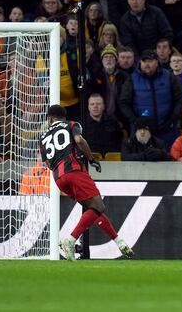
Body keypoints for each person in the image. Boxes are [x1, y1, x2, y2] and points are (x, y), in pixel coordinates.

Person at [39, 104, 133, 261]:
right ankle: (70, 240)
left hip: (58, 178)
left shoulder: (42, 138)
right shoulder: (72, 125)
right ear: (64, 116)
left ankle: (119, 241)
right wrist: (91, 158)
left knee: (92, 209)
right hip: (74, 171)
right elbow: (79, 140)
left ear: (50, 119)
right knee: (98, 206)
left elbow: (48, 164)